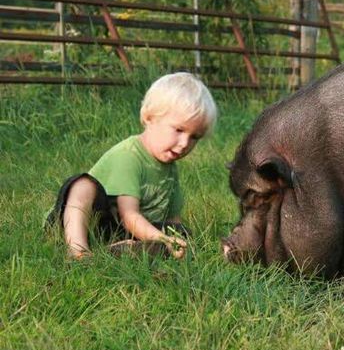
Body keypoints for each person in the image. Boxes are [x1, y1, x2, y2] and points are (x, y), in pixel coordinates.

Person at [45, 72, 218, 259]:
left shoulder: (170, 168)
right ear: (149, 117)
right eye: (179, 130)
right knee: (82, 185)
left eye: (194, 137)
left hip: (120, 231)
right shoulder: (130, 155)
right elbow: (129, 216)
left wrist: (176, 239)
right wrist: (165, 240)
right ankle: (77, 251)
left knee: (181, 232)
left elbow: (172, 220)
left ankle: (117, 250)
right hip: (88, 221)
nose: (185, 143)